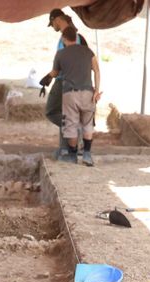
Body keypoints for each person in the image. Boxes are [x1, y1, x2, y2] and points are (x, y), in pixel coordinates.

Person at [40, 9, 88, 157]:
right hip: (77, 80)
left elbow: (64, 62)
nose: (53, 27)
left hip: (64, 80)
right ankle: (65, 148)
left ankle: (73, 131)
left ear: (57, 20)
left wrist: (49, 76)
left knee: (52, 112)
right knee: (64, 115)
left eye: (52, 24)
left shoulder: (66, 38)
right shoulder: (78, 36)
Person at [53, 25, 99, 165]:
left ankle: (72, 155)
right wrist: (97, 90)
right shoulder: (88, 52)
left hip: (70, 94)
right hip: (88, 93)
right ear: (76, 37)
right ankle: (87, 155)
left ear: (64, 39)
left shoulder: (61, 54)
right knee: (88, 124)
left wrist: (46, 78)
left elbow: (55, 73)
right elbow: (97, 70)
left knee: (71, 125)